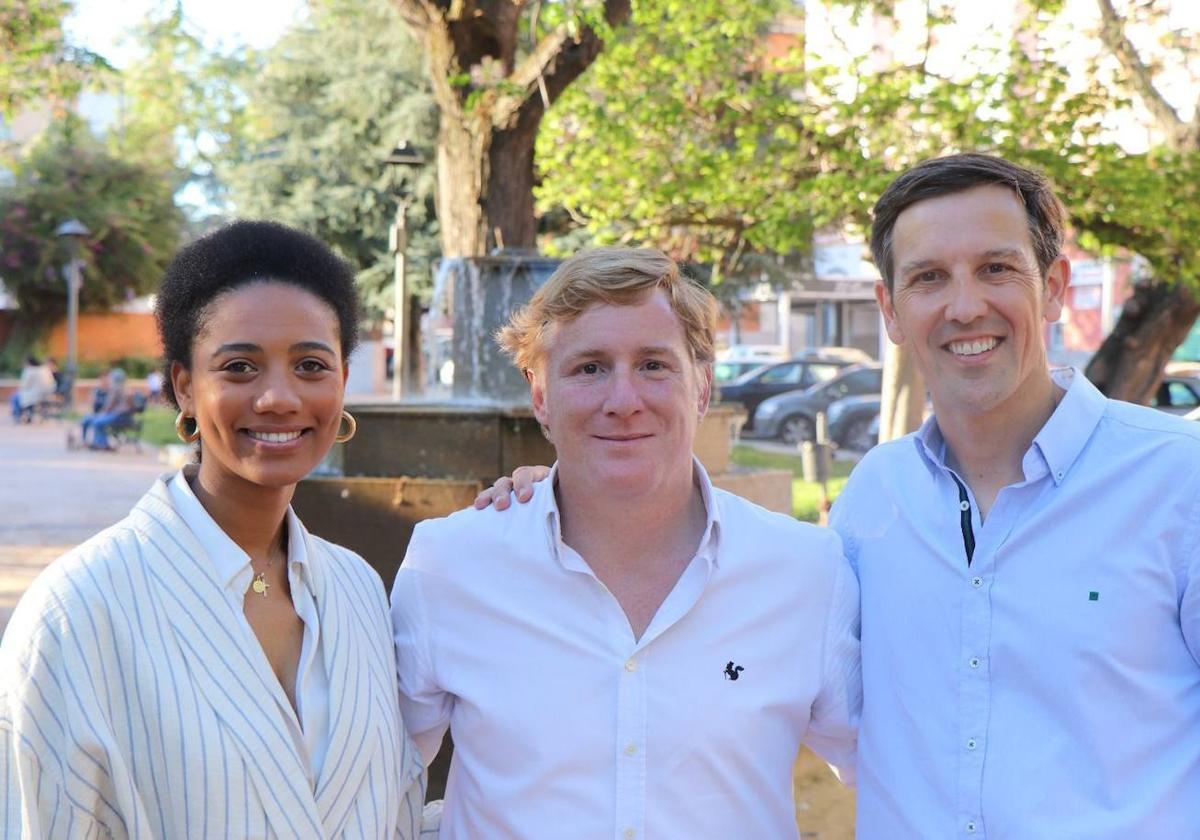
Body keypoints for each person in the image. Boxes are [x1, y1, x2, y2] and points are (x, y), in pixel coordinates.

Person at [478, 154, 1200, 838]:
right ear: (890, 309)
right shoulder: (872, 506)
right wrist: (580, 493)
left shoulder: (1177, 482)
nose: (965, 305)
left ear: (1055, 286)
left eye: (996, 268)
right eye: (928, 278)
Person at [390, 248, 860, 838]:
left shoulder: (805, 571)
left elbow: (891, 777)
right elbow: (377, 786)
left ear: (702, 388)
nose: (623, 399)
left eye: (653, 365)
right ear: (540, 396)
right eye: (589, 367)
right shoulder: (451, 564)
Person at [1, 220, 436, 838]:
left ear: (342, 382)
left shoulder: (358, 590)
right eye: (239, 368)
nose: (279, 398)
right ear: (184, 386)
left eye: (312, 365)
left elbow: (393, 811)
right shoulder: (78, 611)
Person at [79, 366, 133, 449]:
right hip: (122, 416)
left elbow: (109, 405)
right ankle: (100, 443)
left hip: (118, 416)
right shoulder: (125, 389)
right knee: (95, 420)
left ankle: (101, 444)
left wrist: (102, 413)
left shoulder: (116, 389)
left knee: (97, 421)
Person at [9, 355, 56, 423]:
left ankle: (18, 415)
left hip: (35, 394)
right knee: (21, 398)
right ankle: (26, 415)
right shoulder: (45, 369)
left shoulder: (30, 370)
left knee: (15, 398)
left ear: (28, 363)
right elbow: (51, 382)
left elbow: (25, 385)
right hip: (46, 393)